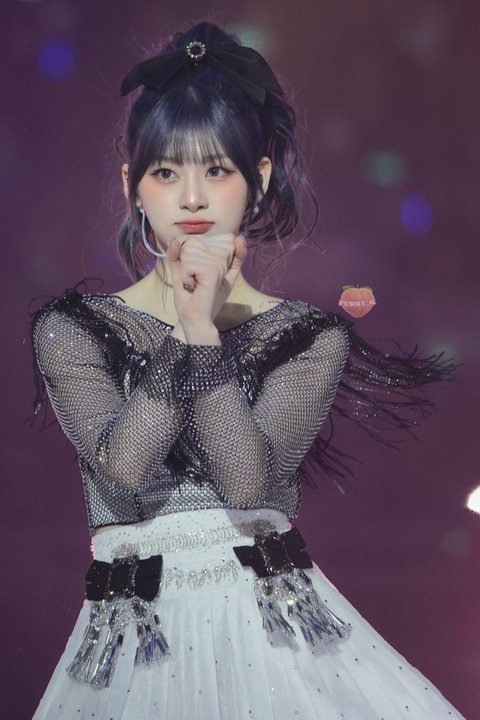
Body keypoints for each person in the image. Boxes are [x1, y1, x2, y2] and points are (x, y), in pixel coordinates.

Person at [31, 21, 465, 720]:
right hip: (136, 647)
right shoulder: (74, 329)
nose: (192, 198)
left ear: (258, 179)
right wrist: (187, 330)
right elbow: (123, 470)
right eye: (166, 172)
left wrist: (202, 334)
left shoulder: (305, 337)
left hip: (276, 644)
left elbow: (246, 485)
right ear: (132, 184)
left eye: (216, 170)